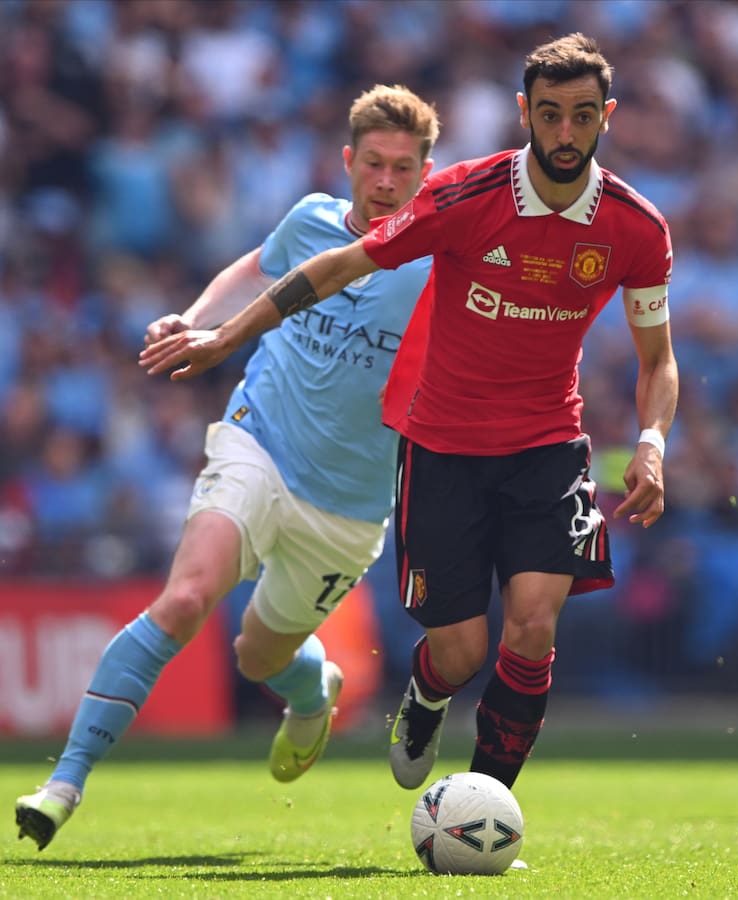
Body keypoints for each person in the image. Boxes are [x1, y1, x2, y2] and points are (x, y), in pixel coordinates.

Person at [138, 33, 677, 793]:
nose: (564, 133)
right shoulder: (465, 196)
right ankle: (425, 698)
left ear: (606, 117)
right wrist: (226, 337)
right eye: (549, 114)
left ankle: (482, 807)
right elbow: (337, 265)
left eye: (582, 116)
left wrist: (651, 440)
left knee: (530, 628)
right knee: (459, 653)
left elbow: (659, 359)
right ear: (525, 111)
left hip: (549, 445)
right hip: (442, 448)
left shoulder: (636, 228)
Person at [16, 84, 440, 850]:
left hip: (347, 507)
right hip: (258, 442)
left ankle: (313, 694)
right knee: (185, 598)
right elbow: (256, 265)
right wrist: (196, 316)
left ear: (425, 174)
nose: (384, 182)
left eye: (402, 169)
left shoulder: (439, 267)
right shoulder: (310, 220)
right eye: (373, 163)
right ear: (348, 161)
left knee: (258, 654)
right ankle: (63, 784)